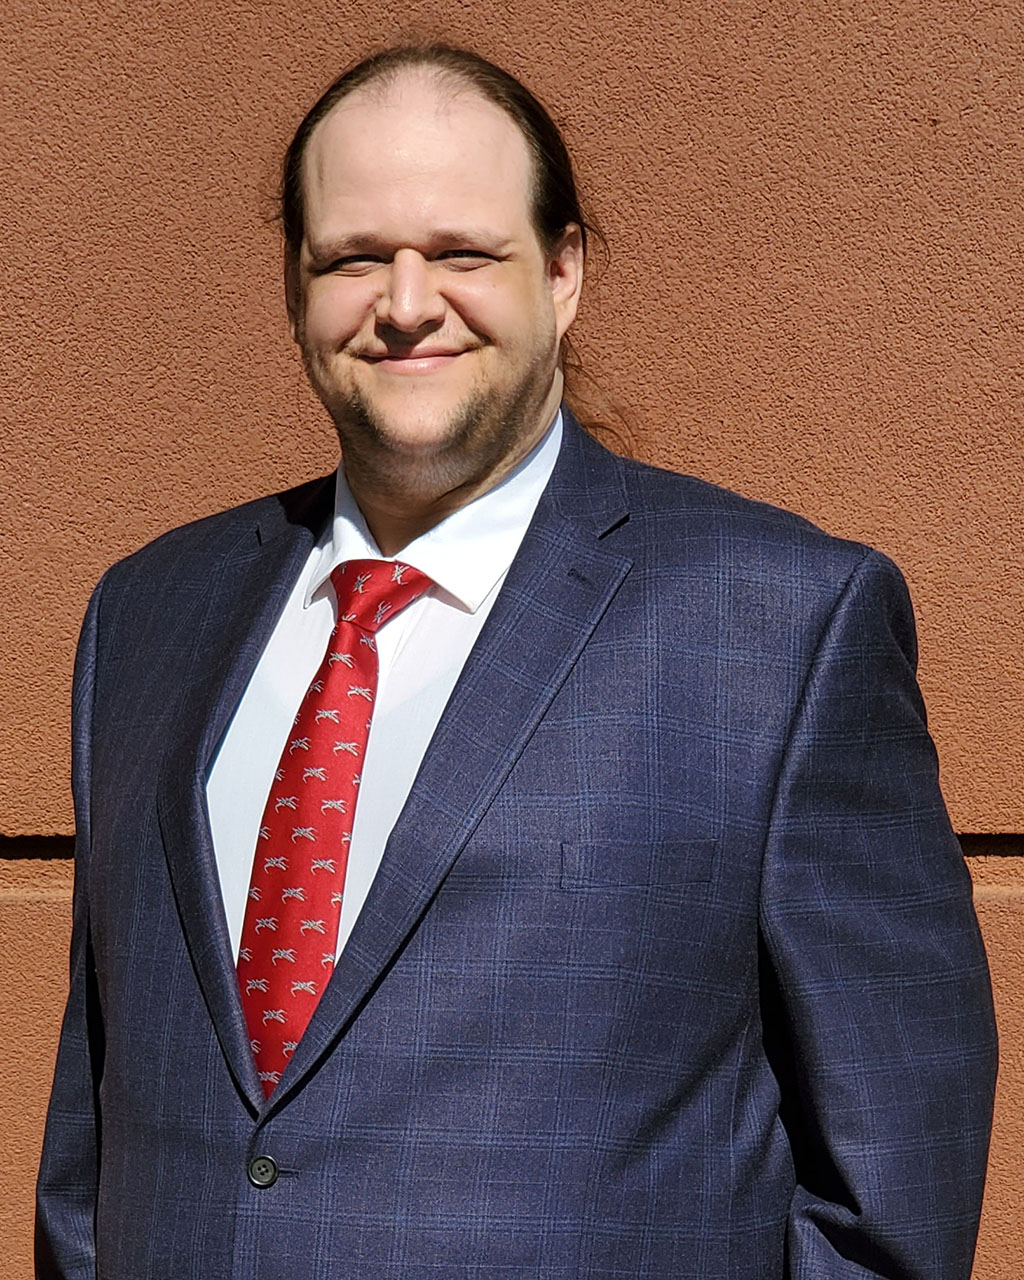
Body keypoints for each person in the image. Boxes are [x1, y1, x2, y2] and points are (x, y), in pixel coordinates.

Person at [36, 42, 997, 1280]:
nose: (404, 302)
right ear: (293, 286)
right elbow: (95, 1141)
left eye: (462, 254)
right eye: (352, 257)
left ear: (562, 270)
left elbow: (891, 1200)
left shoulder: (778, 625)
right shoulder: (149, 614)